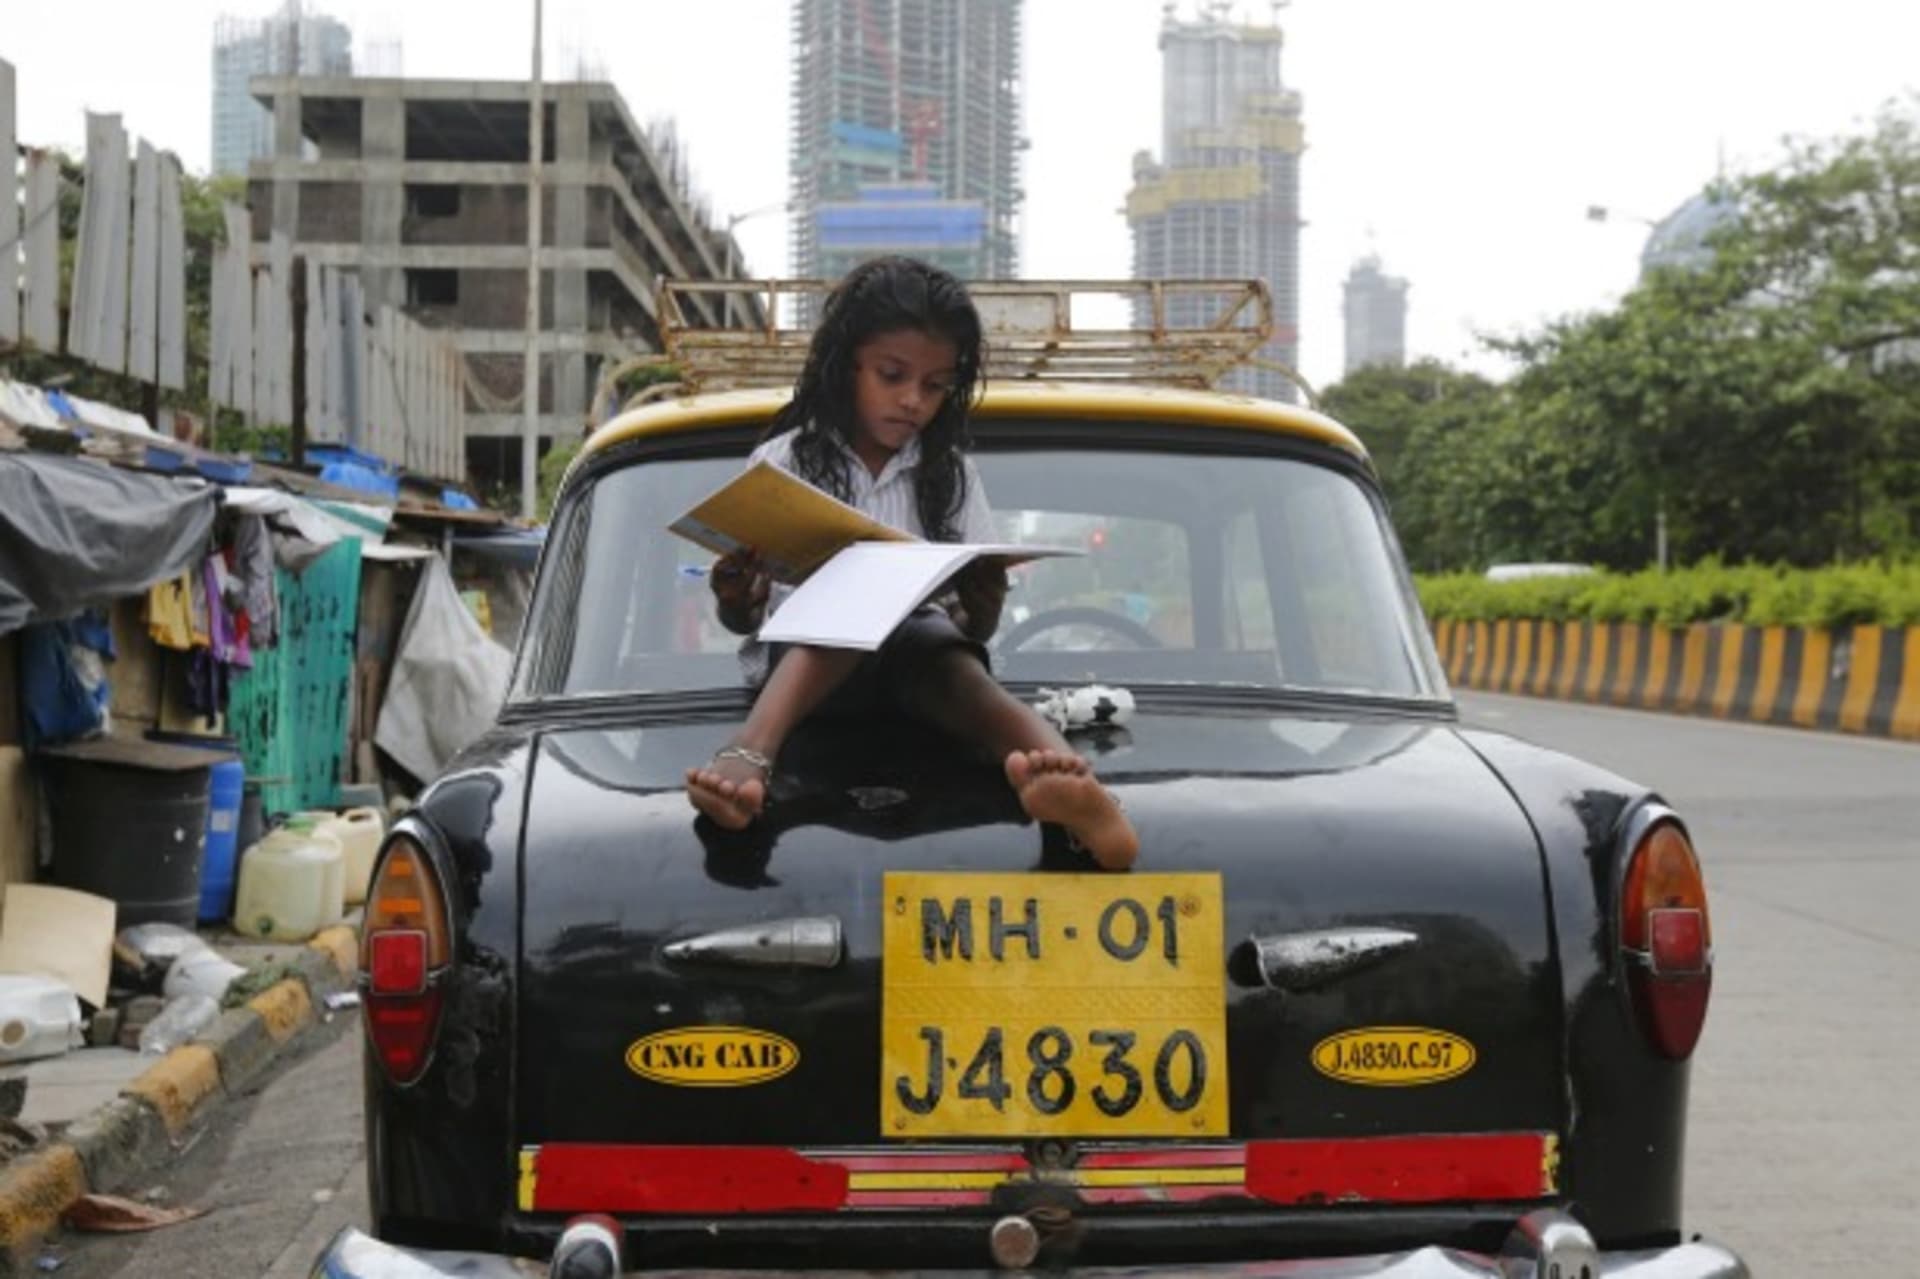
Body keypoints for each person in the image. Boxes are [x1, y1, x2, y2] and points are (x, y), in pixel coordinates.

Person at [684, 256, 1139, 871]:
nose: (912, 401)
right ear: (846, 364)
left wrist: (982, 609)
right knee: (859, 597)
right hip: (803, 682)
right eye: (892, 375)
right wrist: (735, 600)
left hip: (924, 675)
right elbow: (746, 624)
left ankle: (1086, 796)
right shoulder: (782, 459)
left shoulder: (949, 477)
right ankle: (750, 756)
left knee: (947, 657)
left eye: (934, 385)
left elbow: (970, 627)